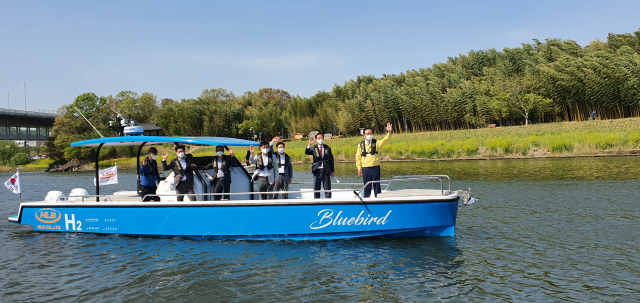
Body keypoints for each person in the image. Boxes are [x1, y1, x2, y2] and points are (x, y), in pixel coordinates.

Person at [356, 123, 393, 198]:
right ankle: (366, 200)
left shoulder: (376, 143)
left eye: (371, 133)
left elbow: (385, 140)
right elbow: (358, 157)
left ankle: (378, 201)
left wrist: (389, 133)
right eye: (367, 133)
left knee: (377, 187)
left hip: (375, 167)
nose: (369, 135)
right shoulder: (361, 145)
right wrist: (359, 168)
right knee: (367, 187)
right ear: (364, 135)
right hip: (366, 168)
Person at [305, 133, 334, 199]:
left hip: (326, 170)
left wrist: (332, 171)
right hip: (317, 170)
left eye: (322, 138)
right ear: (316, 140)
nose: (320, 139)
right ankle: (317, 201)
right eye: (319, 138)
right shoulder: (314, 148)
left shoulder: (327, 148)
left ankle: (328, 200)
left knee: (327, 187)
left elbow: (331, 160)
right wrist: (309, 144)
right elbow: (307, 152)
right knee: (316, 187)